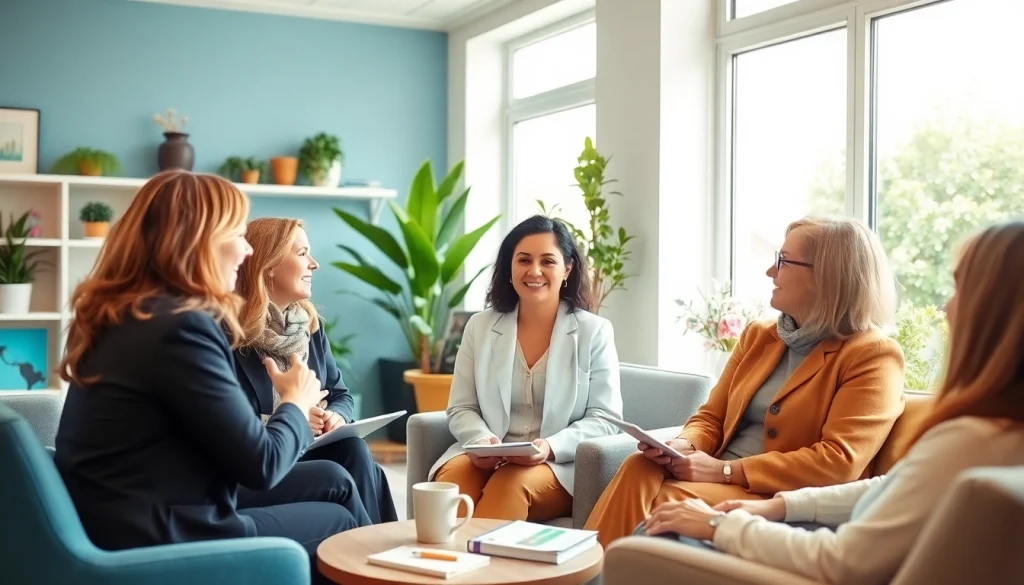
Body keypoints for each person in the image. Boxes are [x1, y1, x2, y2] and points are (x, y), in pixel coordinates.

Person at [639, 220, 1024, 584]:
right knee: (640, 472)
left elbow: (845, 559)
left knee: (660, 530)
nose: (945, 308)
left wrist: (719, 525)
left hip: (799, 527)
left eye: (959, 289)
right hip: (788, 505)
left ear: (994, 311)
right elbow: (889, 488)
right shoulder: (997, 436)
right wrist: (781, 507)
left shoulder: (968, 437)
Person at [53, 171, 369, 585]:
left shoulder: (126, 315)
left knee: (334, 478)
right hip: (164, 530)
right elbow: (261, 465)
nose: (247, 250)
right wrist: (293, 401)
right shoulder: (181, 328)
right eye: (238, 234)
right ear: (199, 240)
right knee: (337, 522)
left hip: (138, 506)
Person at [585, 215, 907, 548]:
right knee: (639, 464)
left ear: (826, 276)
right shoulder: (760, 335)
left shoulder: (873, 355)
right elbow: (711, 417)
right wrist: (686, 445)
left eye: (782, 261)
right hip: (718, 473)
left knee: (667, 501)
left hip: (777, 496)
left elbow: (838, 461)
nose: (771, 272)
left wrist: (726, 471)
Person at [428, 215, 623, 522]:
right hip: (487, 455)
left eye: (548, 261)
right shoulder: (479, 327)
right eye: (523, 260)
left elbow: (605, 418)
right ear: (509, 268)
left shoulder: (594, 332)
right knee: (453, 483)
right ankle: (433, 567)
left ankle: (484, 570)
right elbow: (462, 407)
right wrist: (481, 441)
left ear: (567, 269)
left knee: (510, 484)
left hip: (557, 465)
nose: (534, 271)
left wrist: (549, 447)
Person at [232, 216, 397, 524]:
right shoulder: (231, 334)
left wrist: (337, 416)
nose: (314, 264)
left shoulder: (309, 325)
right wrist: (291, 417)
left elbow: (340, 394)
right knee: (352, 463)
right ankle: (369, 552)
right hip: (268, 457)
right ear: (268, 267)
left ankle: (376, 553)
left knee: (353, 447)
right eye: (302, 253)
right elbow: (228, 422)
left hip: (311, 448)